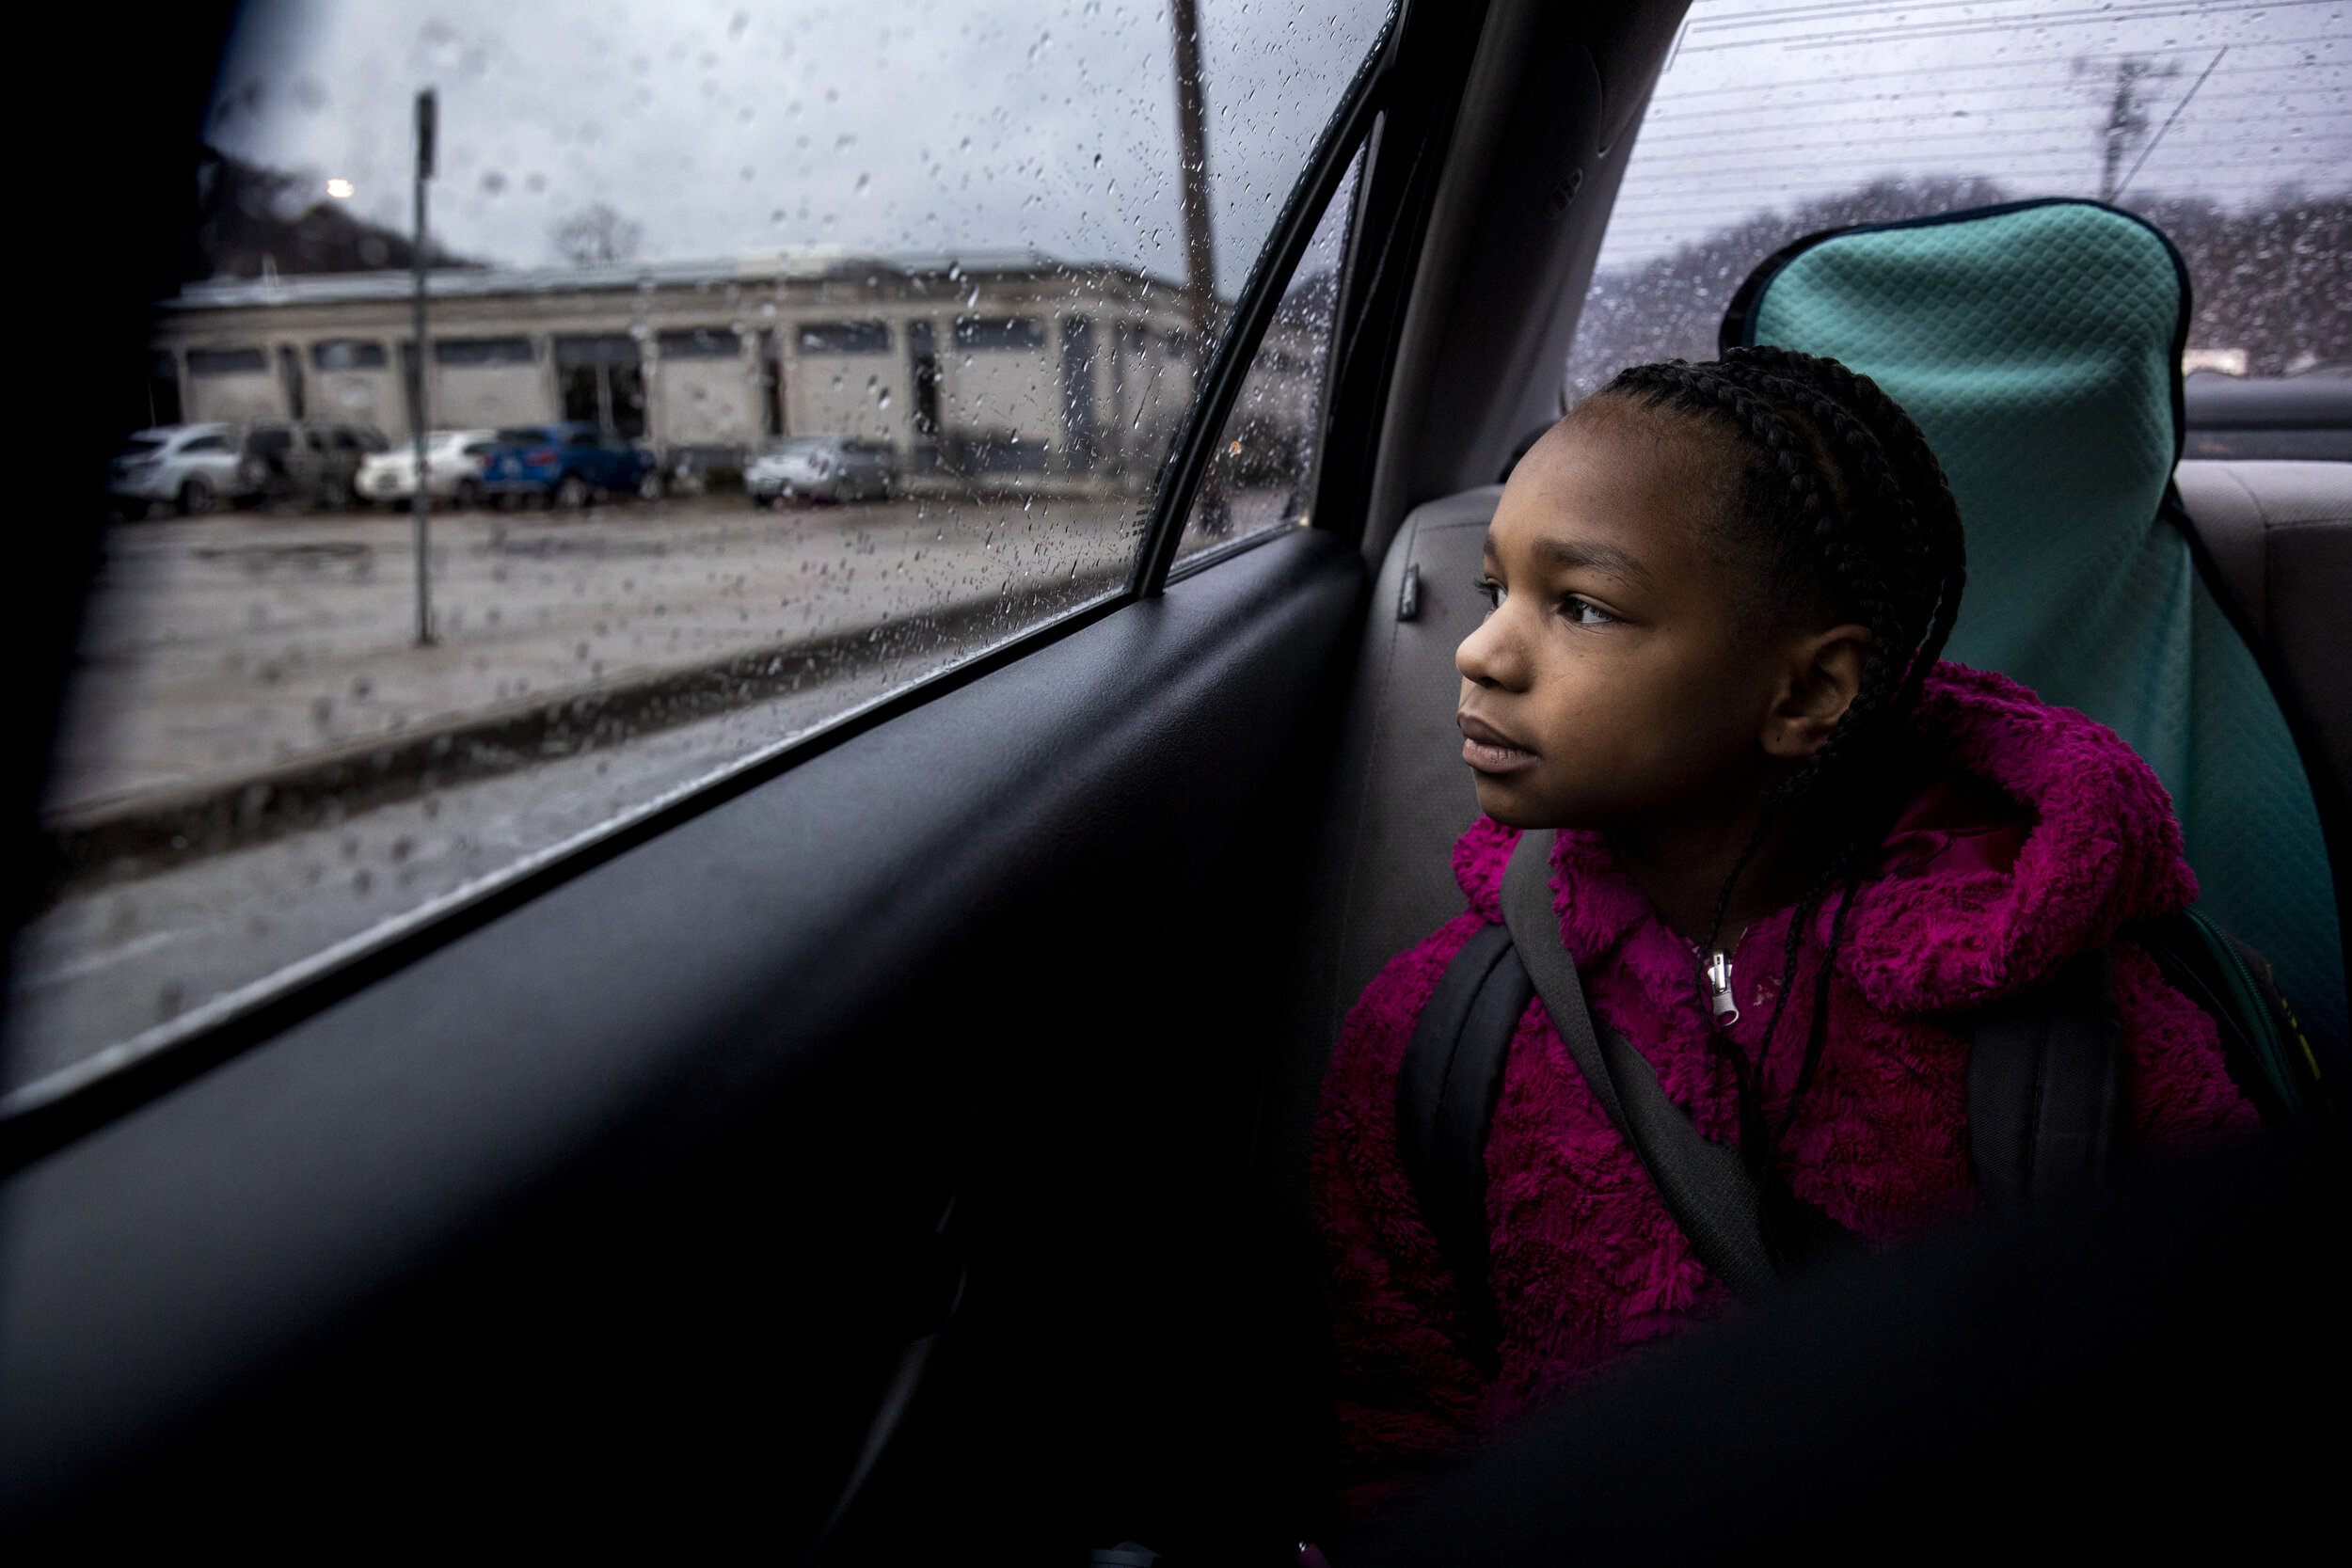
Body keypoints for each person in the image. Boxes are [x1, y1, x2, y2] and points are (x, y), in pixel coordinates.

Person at [1311, 346, 2258, 1519]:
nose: (1480, 652)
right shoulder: (1437, 1032)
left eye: (1582, 607)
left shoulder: (2073, 1031)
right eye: (1491, 589)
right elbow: (1395, 1428)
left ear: (1807, 694)